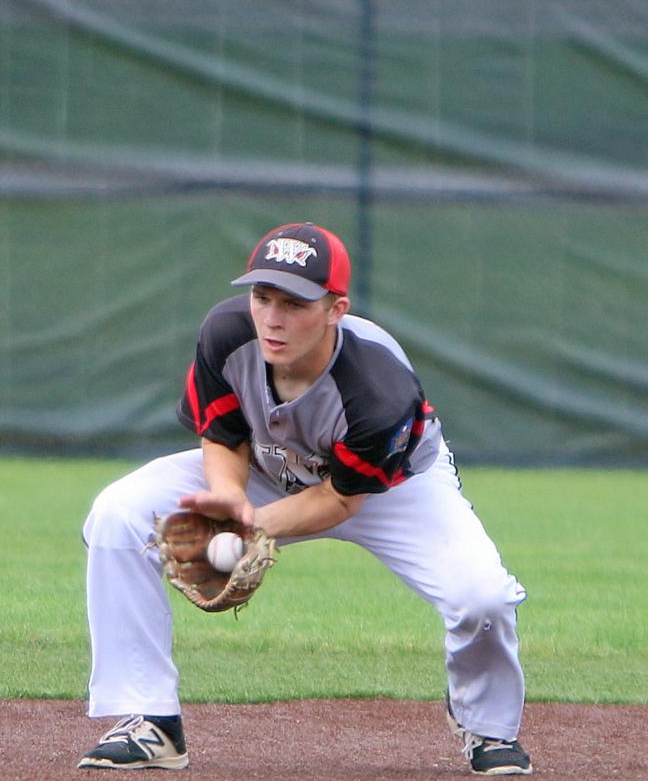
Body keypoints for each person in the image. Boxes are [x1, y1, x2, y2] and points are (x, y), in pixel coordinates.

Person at [78, 223, 532, 775]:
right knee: (119, 512)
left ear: (335, 309)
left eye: (295, 303)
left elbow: (340, 501)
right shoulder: (226, 333)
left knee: (481, 597)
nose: (272, 318)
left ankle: (485, 726)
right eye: (262, 297)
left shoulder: (379, 389)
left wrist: (247, 529)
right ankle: (147, 719)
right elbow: (223, 437)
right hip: (269, 462)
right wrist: (225, 500)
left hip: (391, 487)